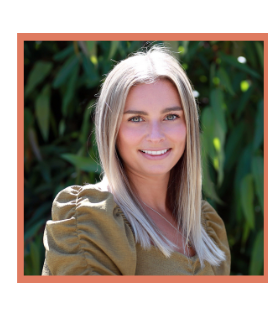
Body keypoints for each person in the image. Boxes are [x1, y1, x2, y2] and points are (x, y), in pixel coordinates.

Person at [42, 46, 230, 275]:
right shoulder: (91, 221)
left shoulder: (206, 227)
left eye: (171, 116)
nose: (156, 135)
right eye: (136, 118)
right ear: (111, 129)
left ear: (189, 125)